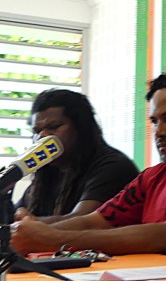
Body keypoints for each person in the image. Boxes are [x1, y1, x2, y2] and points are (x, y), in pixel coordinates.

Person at [11, 69, 166, 255]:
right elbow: (94, 221)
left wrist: (53, 239)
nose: (159, 132)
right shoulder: (154, 175)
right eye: (155, 121)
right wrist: (31, 230)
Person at [14, 89, 138, 223]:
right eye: (36, 131)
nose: (41, 136)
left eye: (54, 127)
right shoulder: (46, 173)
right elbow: (16, 216)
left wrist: (25, 223)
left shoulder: (113, 167)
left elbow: (81, 222)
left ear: (81, 128)